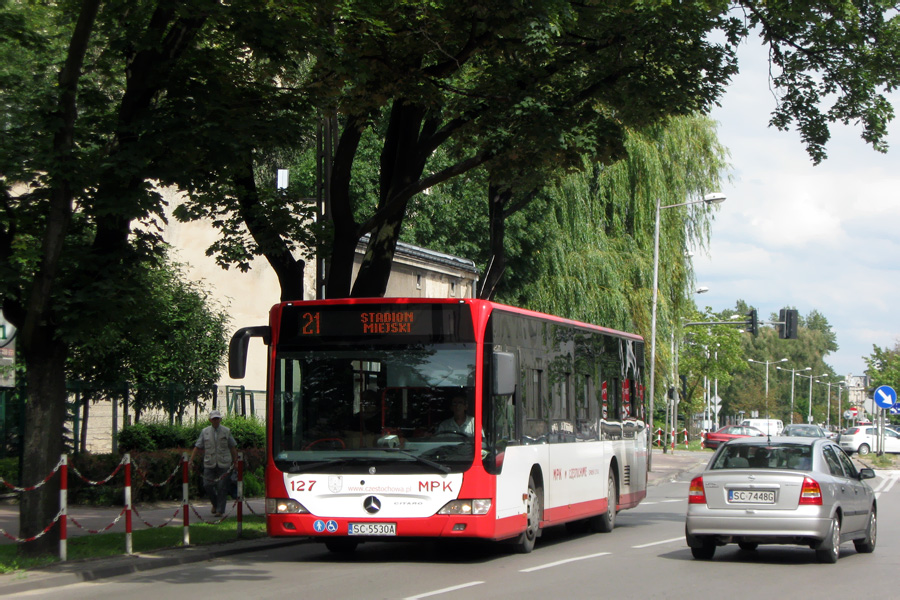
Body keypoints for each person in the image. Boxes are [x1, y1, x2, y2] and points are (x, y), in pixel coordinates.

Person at [190, 409, 238, 517]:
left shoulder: (226, 431)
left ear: (220, 419)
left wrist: (236, 461)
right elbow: (197, 446)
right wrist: (191, 460)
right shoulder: (205, 431)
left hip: (224, 463)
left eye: (217, 419)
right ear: (210, 420)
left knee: (222, 486)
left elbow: (233, 447)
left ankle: (220, 510)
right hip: (209, 462)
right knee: (207, 485)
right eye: (214, 419)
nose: (216, 421)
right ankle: (215, 504)